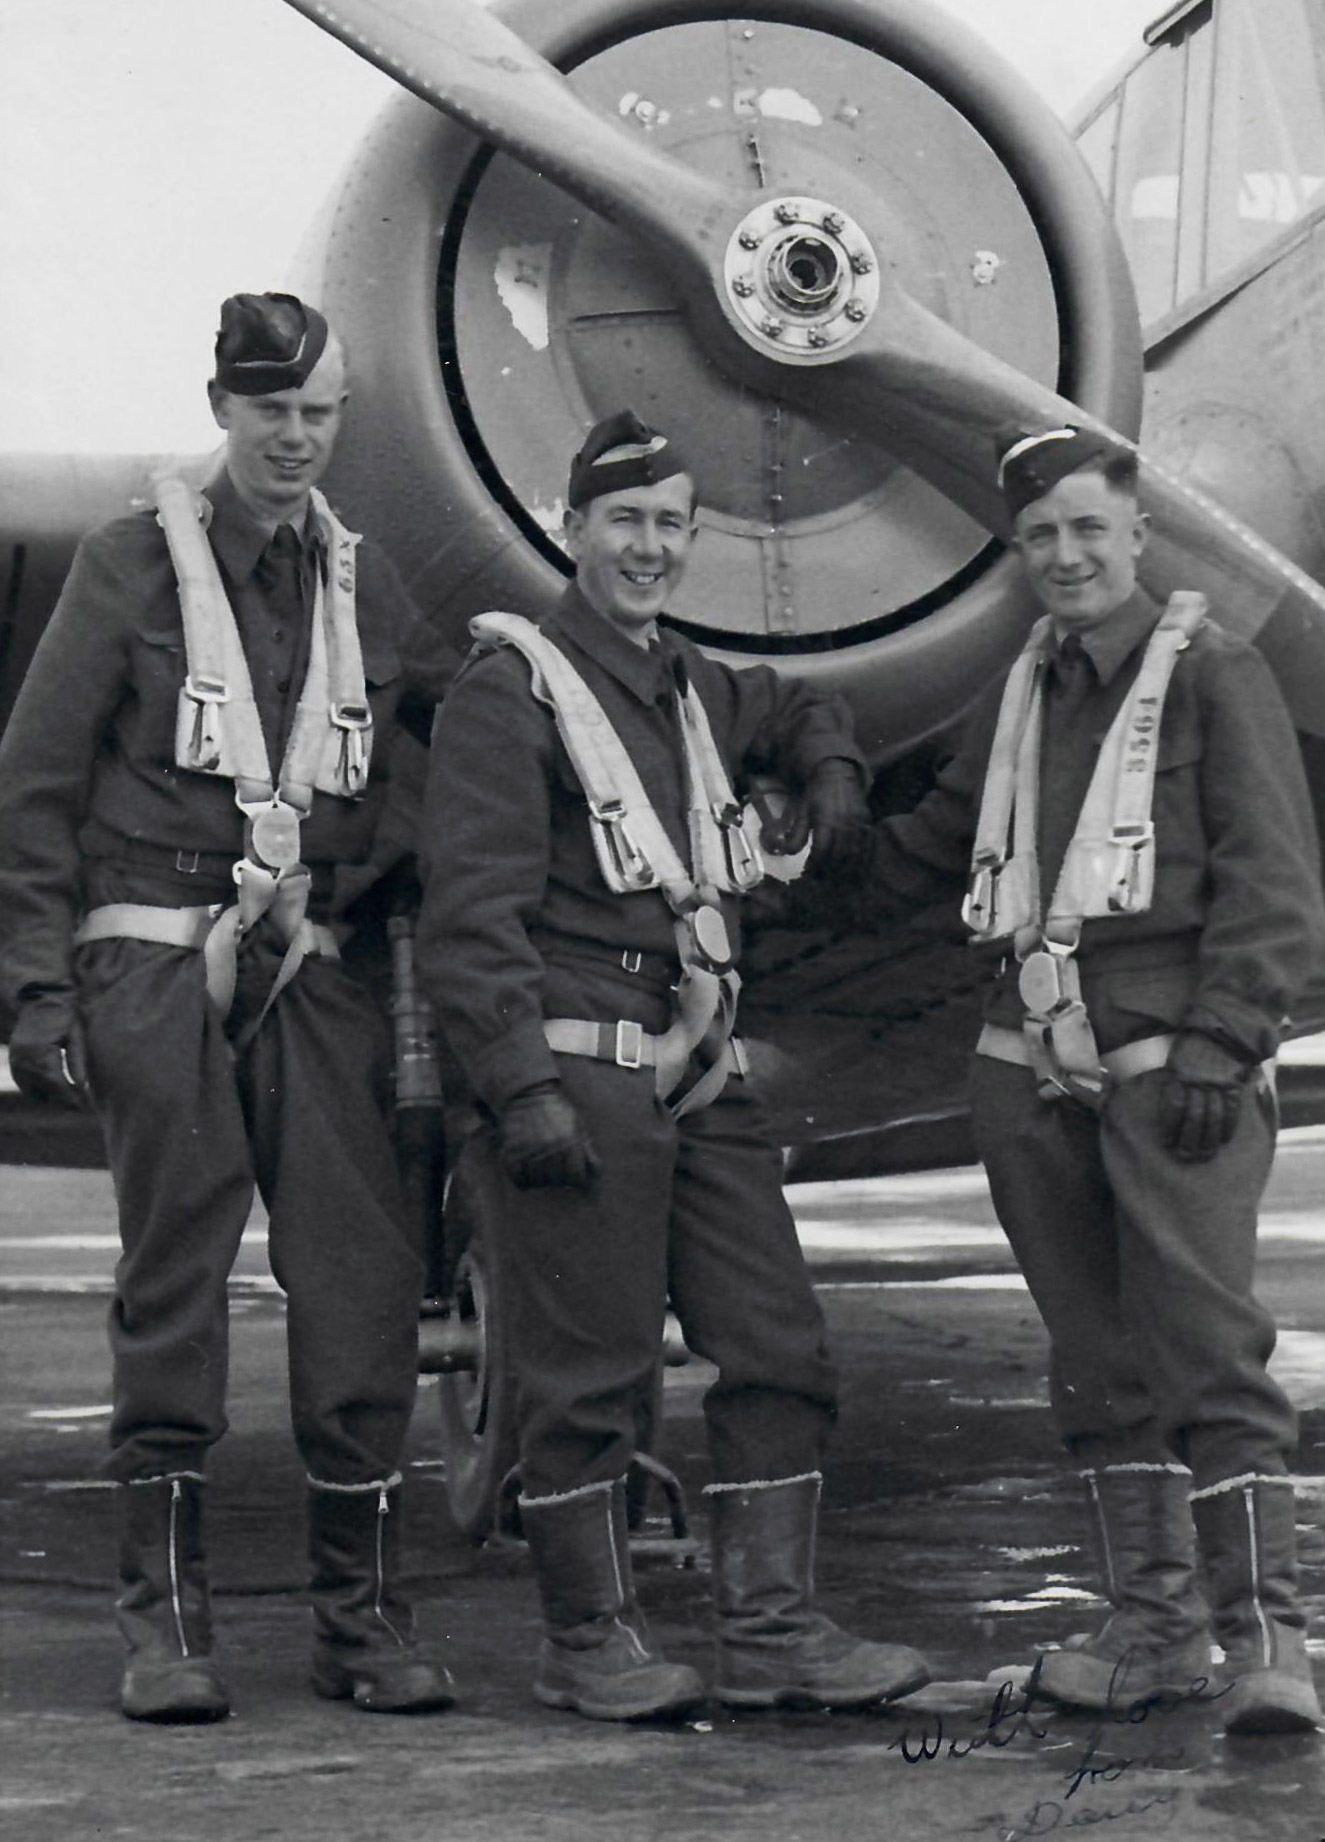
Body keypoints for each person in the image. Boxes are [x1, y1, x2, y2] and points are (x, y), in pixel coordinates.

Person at [415, 409, 930, 1722]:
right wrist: (519, 1088)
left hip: (698, 1072)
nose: (648, 548)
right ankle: (587, 1640)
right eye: (624, 523)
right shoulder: (506, 692)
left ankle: (770, 1630)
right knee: (586, 1375)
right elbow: (469, 921)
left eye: (668, 527)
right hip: (578, 1069)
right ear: (572, 530)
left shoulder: (687, 684)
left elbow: (805, 699)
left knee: (776, 1344)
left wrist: (830, 773)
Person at [0, 293, 457, 1723]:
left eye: (319, 416)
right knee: (174, 1282)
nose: (296, 440)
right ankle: (166, 1626)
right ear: (222, 409)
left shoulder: (364, 585)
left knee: (362, 1276)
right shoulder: (133, 565)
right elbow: (35, 782)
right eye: (272, 414)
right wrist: (30, 983)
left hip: (312, 963)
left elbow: (457, 723)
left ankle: (360, 1623)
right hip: (154, 957)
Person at [849, 425, 1325, 1734]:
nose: (1064, 554)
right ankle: (1152, 1629)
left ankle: (1268, 1644)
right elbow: (928, 844)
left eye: (1086, 530)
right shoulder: (1023, 692)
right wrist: (791, 817)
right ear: (1018, 551)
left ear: (1132, 536)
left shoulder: (1214, 678)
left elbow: (1277, 886)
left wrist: (1226, 1043)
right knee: (1093, 1366)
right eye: (1041, 536)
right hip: (1028, 1074)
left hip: (1171, 1072)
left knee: (1208, 1352)